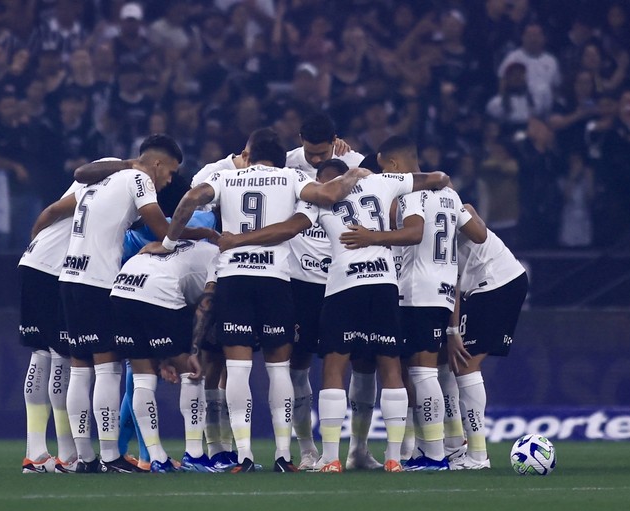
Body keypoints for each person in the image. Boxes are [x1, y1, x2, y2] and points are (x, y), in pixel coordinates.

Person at [218, 149, 453, 473]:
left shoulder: (318, 200)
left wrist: (237, 239)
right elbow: (437, 178)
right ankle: (394, 458)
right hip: (383, 283)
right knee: (390, 366)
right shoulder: (383, 183)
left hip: (343, 286)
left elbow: (289, 228)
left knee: (333, 366)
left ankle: (330, 458)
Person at [142, 139, 370, 473]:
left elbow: (190, 198)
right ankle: (282, 456)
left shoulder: (225, 178)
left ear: (250, 158)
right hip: (274, 280)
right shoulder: (291, 177)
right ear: (279, 160)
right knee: (279, 369)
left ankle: (244, 456)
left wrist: (169, 242)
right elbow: (329, 195)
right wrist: (356, 173)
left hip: (234, 279)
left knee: (237, 369)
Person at [32, 136, 215, 473]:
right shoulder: (139, 179)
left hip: (69, 278)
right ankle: (111, 455)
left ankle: (84, 458)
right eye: (171, 172)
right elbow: (162, 229)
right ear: (157, 164)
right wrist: (203, 235)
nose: (170, 180)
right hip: (97, 280)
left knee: (80, 368)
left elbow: (78, 179)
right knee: (107, 368)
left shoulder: (101, 178)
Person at [372, 137, 487, 470]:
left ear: (393, 164)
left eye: (385, 170)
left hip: (417, 291)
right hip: (444, 291)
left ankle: (434, 454)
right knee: (426, 371)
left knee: (422, 372)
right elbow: (478, 235)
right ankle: (431, 449)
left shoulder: (411, 196)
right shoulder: (451, 194)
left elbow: (414, 233)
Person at [283, 112, 368, 471]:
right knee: (298, 365)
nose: (316, 160)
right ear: (300, 138)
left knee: (362, 364)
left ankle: (359, 451)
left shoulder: (357, 163)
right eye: (310, 153)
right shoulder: (286, 164)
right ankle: (306, 450)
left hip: (345, 280)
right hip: (302, 282)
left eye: (322, 154)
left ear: (336, 140)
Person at [109, 236, 219, 473]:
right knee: (192, 372)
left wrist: (163, 357)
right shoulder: (220, 256)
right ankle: (195, 455)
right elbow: (205, 304)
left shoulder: (189, 246)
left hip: (121, 288)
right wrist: (192, 351)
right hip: (159, 289)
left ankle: (157, 458)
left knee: (142, 378)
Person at [444, 205, 529, 470]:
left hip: (497, 283)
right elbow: (453, 285)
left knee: (467, 364)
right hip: (482, 289)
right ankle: (460, 447)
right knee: (457, 364)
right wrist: (453, 331)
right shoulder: (428, 229)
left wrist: (454, 332)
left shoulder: (454, 208)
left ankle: (478, 456)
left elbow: (477, 230)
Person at [18, 180, 86, 474]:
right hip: (54, 271)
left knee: (41, 353)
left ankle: (35, 454)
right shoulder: (122, 178)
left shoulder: (98, 176)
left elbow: (51, 211)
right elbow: (56, 209)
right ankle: (68, 455)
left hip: (34, 262)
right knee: (62, 357)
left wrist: (38, 244)